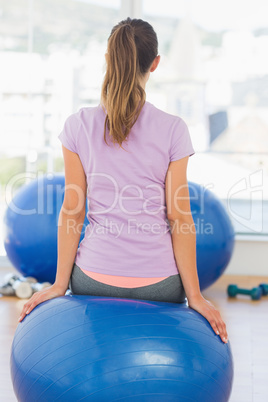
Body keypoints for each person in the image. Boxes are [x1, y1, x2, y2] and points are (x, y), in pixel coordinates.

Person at [18, 17, 228, 344]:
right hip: (160, 284)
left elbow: (72, 211)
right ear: (155, 64)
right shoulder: (173, 128)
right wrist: (196, 297)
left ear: (108, 58)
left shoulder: (78, 125)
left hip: (92, 279)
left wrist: (59, 285)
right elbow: (178, 216)